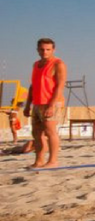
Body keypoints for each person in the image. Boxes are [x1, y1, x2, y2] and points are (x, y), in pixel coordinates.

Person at [24, 38, 66, 169]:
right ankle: (39, 160)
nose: (44, 52)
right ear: (37, 50)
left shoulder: (58, 64)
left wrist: (52, 105)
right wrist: (27, 104)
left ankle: (53, 160)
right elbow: (33, 86)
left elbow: (60, 85)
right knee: (36, 133)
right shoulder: (36, 65)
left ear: (53, 50)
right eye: (42, 49)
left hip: (52, 102)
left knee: (50, 131)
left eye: (48, 49)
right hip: (37, 102)